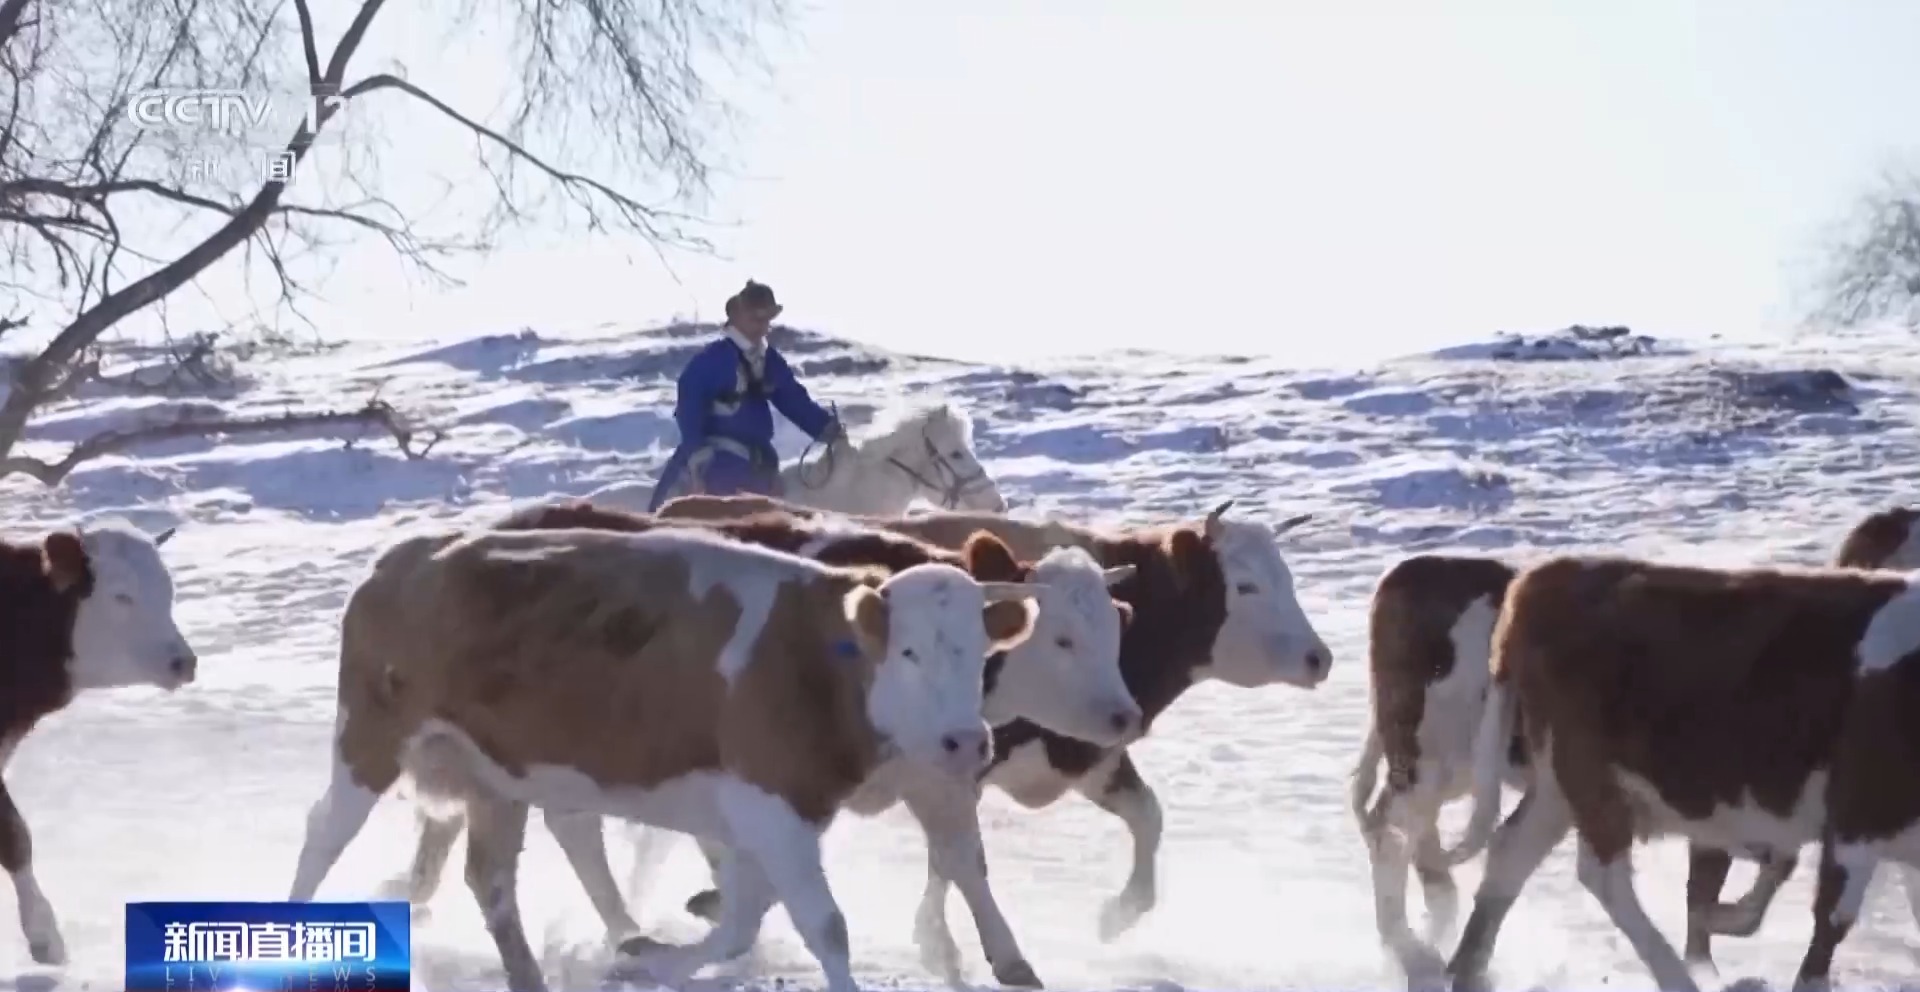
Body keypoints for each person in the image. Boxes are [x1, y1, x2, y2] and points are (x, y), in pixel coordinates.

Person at [648, 280, 846, 511]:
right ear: (738, 317)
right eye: (756, 320)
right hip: (717, 463)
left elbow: (792, 398)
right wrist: (697, 452)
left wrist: (827, 429)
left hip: (758, 463)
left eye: (766, 321)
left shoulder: (767, 359)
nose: (762, 328)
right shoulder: (713, 359)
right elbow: (689, 406)